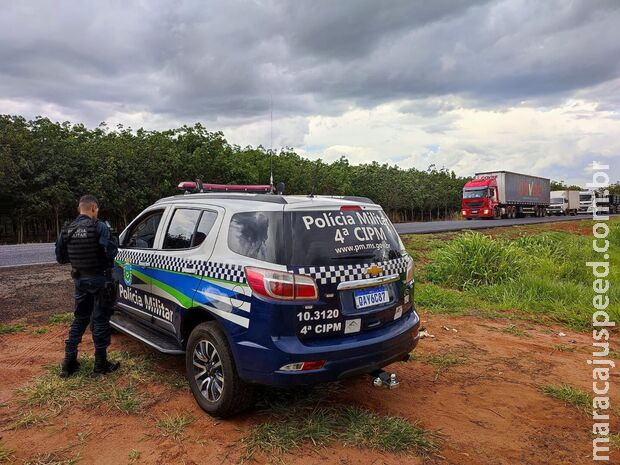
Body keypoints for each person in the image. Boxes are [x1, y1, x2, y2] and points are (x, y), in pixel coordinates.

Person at [55, 194, 120, 377]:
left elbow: (60, 258)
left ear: (79, 209)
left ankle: (69, 363)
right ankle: (100, 365)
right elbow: (111, 253)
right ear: (93, 209)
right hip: (100, 281)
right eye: (97, 210)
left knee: (80, 318)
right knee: (100, 320)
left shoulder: (67, 229)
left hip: (80, 281)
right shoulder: (99, 227)